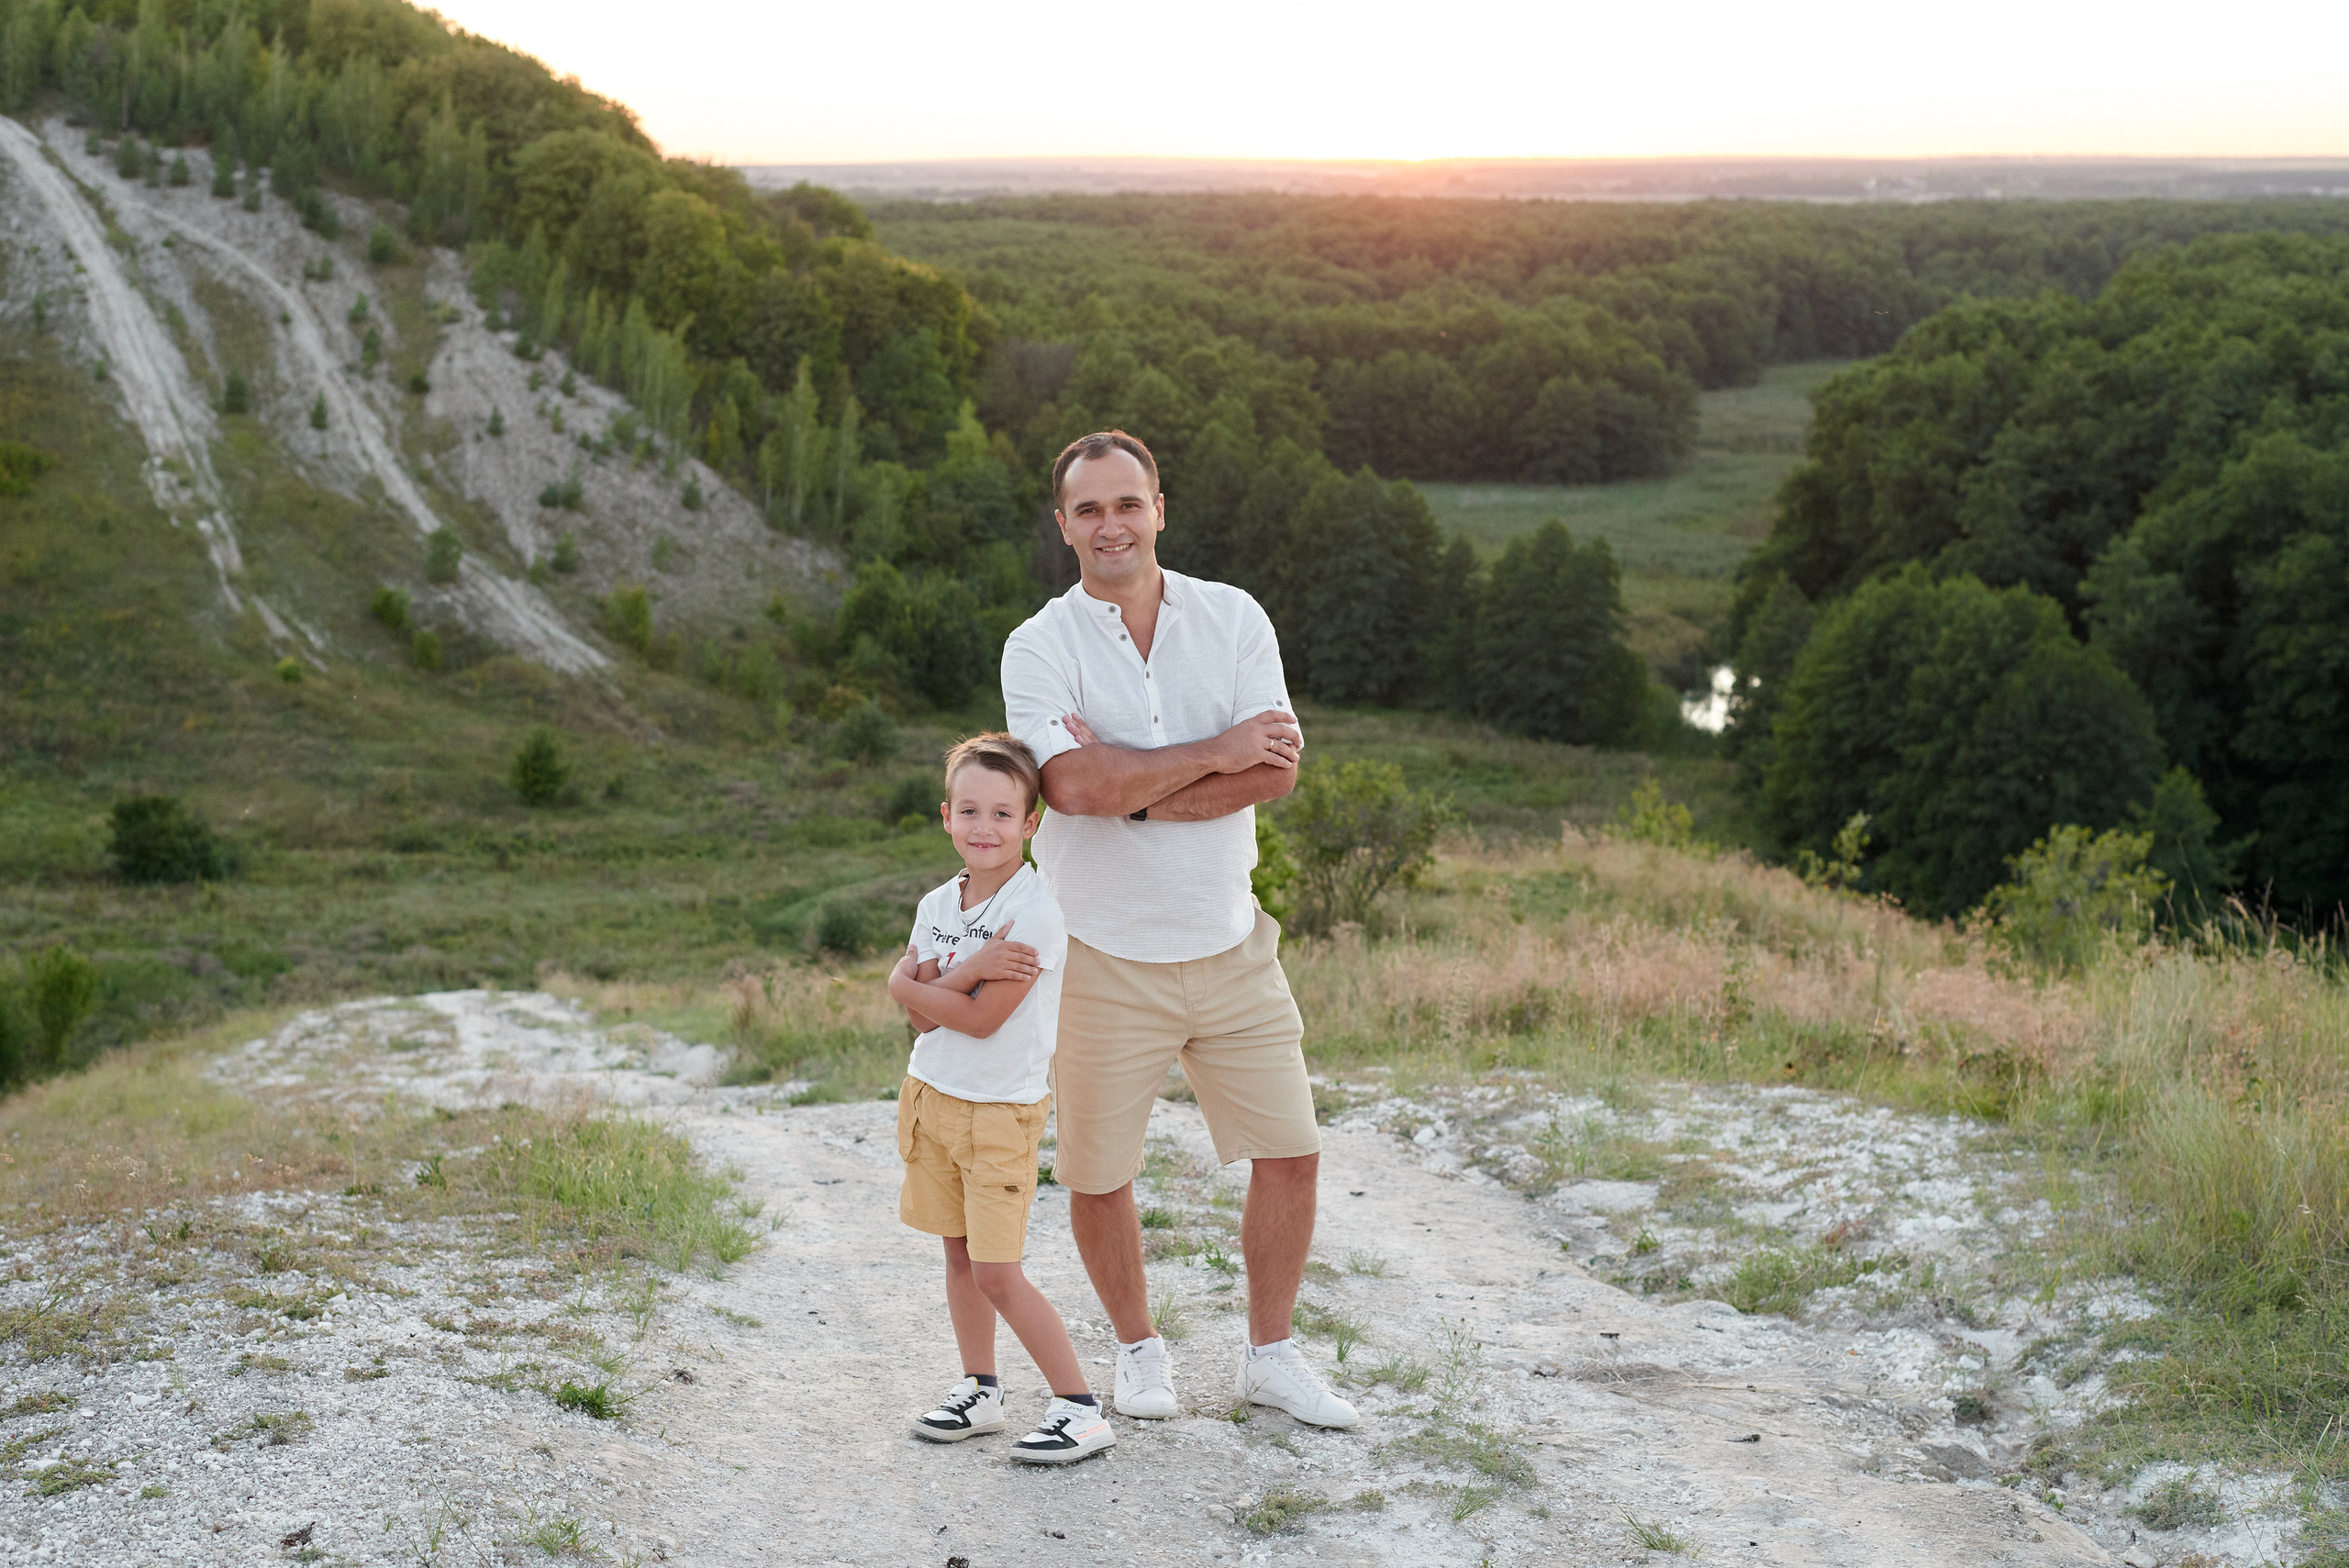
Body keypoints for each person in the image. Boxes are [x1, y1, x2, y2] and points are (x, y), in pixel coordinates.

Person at [999, 429, 1359, 1429]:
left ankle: (1271, 1354)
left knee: (1290, 1151)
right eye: (1088, 509)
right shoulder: (1039, 645)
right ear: (1062, 525)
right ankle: (1139, 1348)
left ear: (1160, 506)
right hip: (1102, 951)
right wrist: (1211, 752)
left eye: (1127, 503)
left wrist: (1136, 787)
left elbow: (1275, 768)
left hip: (1231, 940)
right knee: (1099, 1170)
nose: (1110, 524)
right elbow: (1070, 784)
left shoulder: (1233, 616)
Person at [885, 734, 1113, 1464]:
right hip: (933, 1095)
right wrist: (952, 975)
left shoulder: (1034, 912)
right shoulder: (934, 904)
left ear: (1031, 824)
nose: (986, 827)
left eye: (1004, 814)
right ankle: (980, 1390)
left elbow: (982, 1019)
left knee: (996, 1268)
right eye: (971, 811)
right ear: (947, 816)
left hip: (998, 1112)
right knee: (957, 1253)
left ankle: (1080, 1408)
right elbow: (920, 1016)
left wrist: (910, 982)